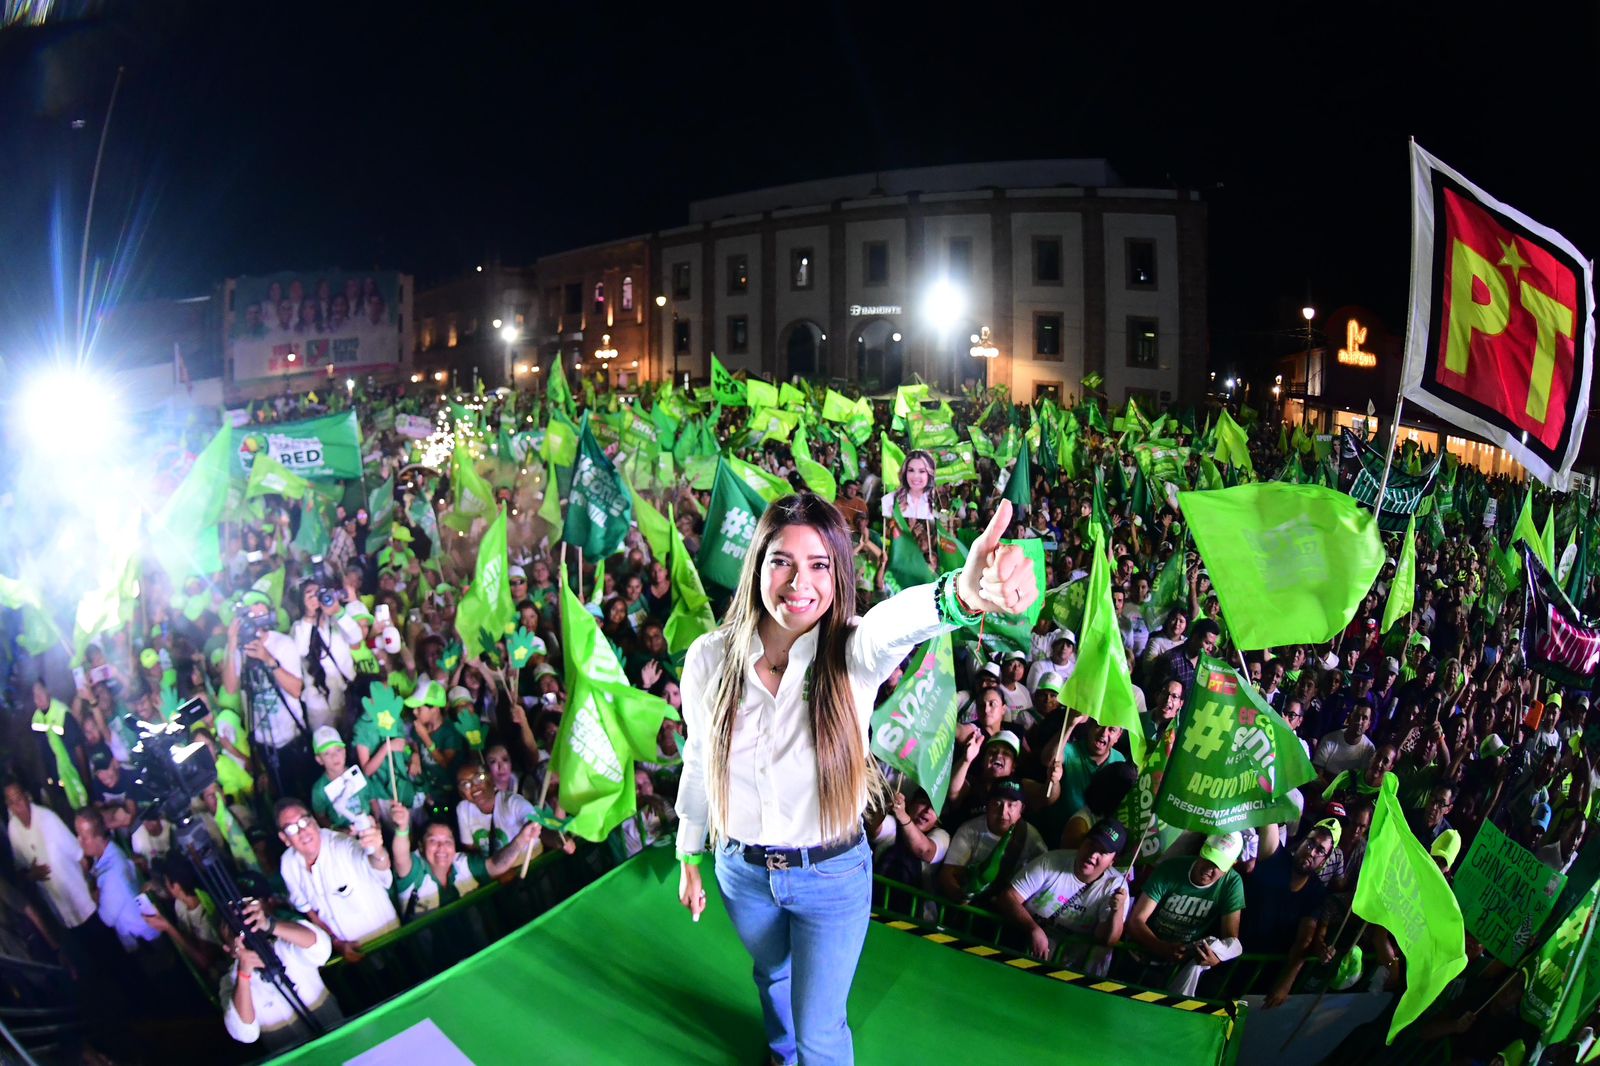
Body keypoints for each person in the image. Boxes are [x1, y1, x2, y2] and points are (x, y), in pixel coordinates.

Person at [675, 494, 1037, 1066]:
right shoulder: (708, 658)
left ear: (838, 571)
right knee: (771, 975)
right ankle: (779, 1055)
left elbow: (897, 622)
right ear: (757, 565)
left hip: (831, 877)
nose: (799, 582)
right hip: (741, 871)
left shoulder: (854, 649)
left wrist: (962, 594)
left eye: (819, 564)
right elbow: (699, 759)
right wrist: (688, 853)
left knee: (820, 1031)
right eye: (781, 561)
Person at [997, 817, 1130, 974]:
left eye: (1102, 852)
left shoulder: (1116, 886)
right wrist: (1033, 929)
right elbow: (1008, 897)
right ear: (1083, 841)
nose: (1093, 854)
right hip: (1025, 956)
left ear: (1113, 860)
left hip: (1074, 973)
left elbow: (1107, 940)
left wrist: (1116, 911)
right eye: (1091, 844)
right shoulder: (1051, 861)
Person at [275, 799, 397, 962]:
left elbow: (379, 866)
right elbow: (309, 909)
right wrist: (336, 942)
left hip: (388, 941)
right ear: (284, 838)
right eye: (291, 829)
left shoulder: (342, 845)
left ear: (314, 821)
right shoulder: (288, 864)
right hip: (349, 956)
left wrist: (377, 850)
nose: (302, 832)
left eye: (304, 822)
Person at [1123, 832, 1246, 995]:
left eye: (1218, 865)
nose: (1209, 869)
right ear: (1201, 851)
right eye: (1208, 859)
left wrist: (1216, 957)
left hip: (1178, 967)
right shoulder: (1171, 868)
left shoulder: (1232, 883)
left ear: (1231, 865)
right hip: (1139, 956)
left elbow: (1230, 939)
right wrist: (1162, 948)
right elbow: (1136, 920)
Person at [223, 592, 316, 802]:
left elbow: (296, 690)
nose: (254, 611)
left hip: (292, 737)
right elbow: (230, 688)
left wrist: (268, 659)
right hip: (262, 741)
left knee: (305, 791)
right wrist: (231, 643)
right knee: (280, 796)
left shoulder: (283, 644)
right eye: (249, 608)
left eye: (259, 605)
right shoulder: (238, 647)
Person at [221, 898, 345, 1052]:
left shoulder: (285, 946)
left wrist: (269, 925)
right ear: (227, 948)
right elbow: (244, 1033)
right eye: (233, 930)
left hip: (338, 1039)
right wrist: (244, 974)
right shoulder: (230, 981)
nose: (242, 935)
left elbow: (321, 948)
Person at [388, 802, 537, 918]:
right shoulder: (414, 870)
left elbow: (495, 866)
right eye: (433, 841)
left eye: (448, 842)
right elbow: (401, 858)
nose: (441, 848)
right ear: (421, 846)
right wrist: (402, 829)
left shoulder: (463, 863)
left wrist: (521, 840)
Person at [5, 782, 97, 946]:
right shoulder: (13, 828)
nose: (17, 806)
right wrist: (31, 875)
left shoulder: (48, 819)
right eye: (11, 802)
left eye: (19, 799)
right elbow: (20, 868)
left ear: (27, 797)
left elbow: (81, 857)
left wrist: (92, 890)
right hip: (62, 910)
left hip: (85, 901)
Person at [937, 778, 1048, 905]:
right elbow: (948, 873)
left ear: (1021, 808)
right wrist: (961, 896)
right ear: (988, 805)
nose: (1003, 812)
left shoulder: (1032, 839)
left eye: (1011, 805)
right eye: (997, 803)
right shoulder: (969, 830)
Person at [74, 809, 162, 957]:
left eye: (83, 837)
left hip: (145, 940)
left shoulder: (111, 876)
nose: (79, 841)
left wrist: (93, 893)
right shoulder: (108, 848)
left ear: (98, 837)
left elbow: (107, 919)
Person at [882, 449, 937, 522]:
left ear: (930, 474)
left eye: (922, 471)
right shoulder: (889, 501)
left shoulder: (937, 501)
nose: (916, 476)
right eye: (911, 470)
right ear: (905, 473)